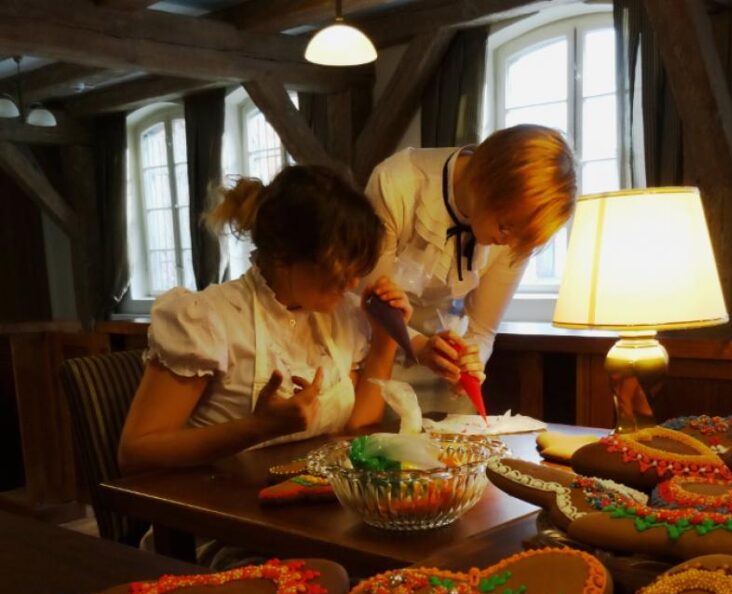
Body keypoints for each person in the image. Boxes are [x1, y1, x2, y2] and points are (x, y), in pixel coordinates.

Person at [119, 165, 411, 476]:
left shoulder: (337, 316)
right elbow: (135, 453)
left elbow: (356, 432)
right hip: (215, 510)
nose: (353, 283)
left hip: (303, 506)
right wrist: (257, 428)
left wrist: (384, 343)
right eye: (342, 268)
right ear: (287, 255)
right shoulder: (209, 319)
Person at [362, 124, 576, 412]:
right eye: (505, 227)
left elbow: (481, 330)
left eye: (521, 239)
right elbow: (370, 300)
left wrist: (471, 365)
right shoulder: (398, 183)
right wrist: (422, 347)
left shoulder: (516, 232)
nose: (507, 242)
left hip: (441, 375)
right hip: (373, 359)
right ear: (485, 181)